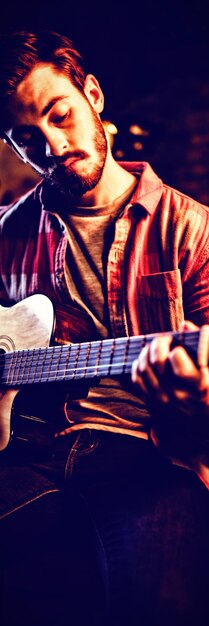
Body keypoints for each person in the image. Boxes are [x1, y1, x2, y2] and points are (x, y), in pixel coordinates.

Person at [0, 29, 209, 626]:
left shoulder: (192, 233)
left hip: (148, 458)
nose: (53, 146)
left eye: (60, 115)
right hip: (29, 450)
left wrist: (199, 394)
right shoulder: (7, 234)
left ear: (93, 96)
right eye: (26, 138)